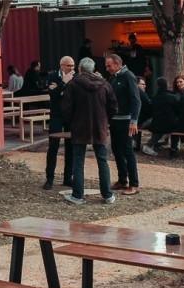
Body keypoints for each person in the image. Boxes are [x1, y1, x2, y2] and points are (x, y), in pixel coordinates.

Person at [60, 57, 117, 205]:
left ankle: (77, 195)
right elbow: (113, 106)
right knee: (102, 160)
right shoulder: (104, 84)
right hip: (100, 126)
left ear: (79, 69)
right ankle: (107, 195)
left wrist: (71, 122)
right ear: (93, 69)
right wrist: (105, 120)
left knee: (78, 161)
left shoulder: (73, 84)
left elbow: (66, 108)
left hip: (79, 127)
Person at [104, 53, 142, 195]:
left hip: (126, 120)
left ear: (117, 64)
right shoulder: (114, 77)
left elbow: (136, 100)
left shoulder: (128, 76)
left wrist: (134, 120)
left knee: (127, 151)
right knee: (116, 150)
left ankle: (134, 183)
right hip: (115, 120)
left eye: (109, 65)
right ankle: (122, 179)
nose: (107, 68)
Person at [42, 56, 76, 190]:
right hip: (56, 115)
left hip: (70, 116)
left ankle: (68, 178)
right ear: (62, 65)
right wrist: (63, 83)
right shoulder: (52, 76)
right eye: (69, 66)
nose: (72, 68)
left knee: (70, 147)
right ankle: (49, 178)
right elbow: (53, 94)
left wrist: (60, 88)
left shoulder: (76, 77)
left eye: (73, 66)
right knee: (53, 146)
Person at [142, 77, 180, 155]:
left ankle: (151, 145)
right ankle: (174, 147)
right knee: (177, 127)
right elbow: (178, 110)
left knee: (160, 127)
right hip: (170, 124)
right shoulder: (172, 97)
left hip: (156, 124)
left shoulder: (155, 98)